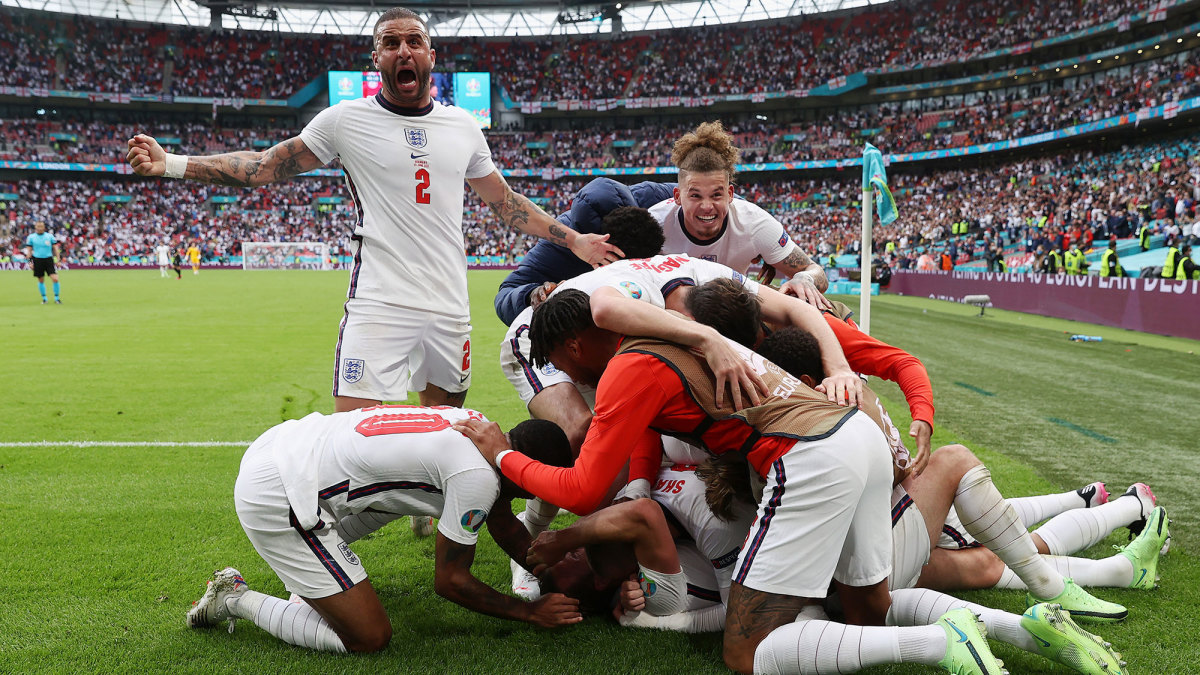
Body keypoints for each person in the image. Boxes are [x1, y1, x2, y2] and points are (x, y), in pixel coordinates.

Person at [456, 290, 996, 674]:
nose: (568, 379)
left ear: (573, 346)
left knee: (746, 652)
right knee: (860, 614)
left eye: (557, 363)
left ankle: (939, 644)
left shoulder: (627, 367)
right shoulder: (669, 329)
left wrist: (503, 455)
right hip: (854, 436)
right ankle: (999, 621)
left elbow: (581, 490)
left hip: (808, 456)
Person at [127, 6, 619, 414]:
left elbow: (505, 203)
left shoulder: (464, 126)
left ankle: (424, 511)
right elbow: (264, 166)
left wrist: (574, 239)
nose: (403, 50)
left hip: (449, 304)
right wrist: (171, 163)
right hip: (379, 303)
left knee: (444, 426)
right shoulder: (344, 120)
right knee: (353, 437)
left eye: (413, 40)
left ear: (430, 54)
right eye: (390, 42)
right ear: (376, 58)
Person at [184, 406, 582, 652]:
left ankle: (319, 582)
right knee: (369, 637)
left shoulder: (477, 425)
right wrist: (529, 613)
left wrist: (557, 573)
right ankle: (234, 597)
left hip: (288, 445)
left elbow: (501, 521)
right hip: (278, 494)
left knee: (401, 496)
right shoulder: (478, 477)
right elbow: (451, 581)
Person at [648, 121, 830, 308]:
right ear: (678, 196)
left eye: (717, 195)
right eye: (695, 196)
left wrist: (804, 278)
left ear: (730, 194)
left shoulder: (755, 223)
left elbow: (815, 270)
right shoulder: (653, 225)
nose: (707, 206)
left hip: (734, 314)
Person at [24, 221, 61, 304]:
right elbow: (29, 251)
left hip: (48, 259)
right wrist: (30, 262)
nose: (40, 228)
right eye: (38, 227)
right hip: (37, 260)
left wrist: (58, 260)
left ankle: (57, 298)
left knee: (55, 278)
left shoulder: (49, 236)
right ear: (36, 228)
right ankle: (44, 299)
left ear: (44, 227)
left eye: (41, 227)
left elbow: (56, 249)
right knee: (41, 280)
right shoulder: (31, 237)